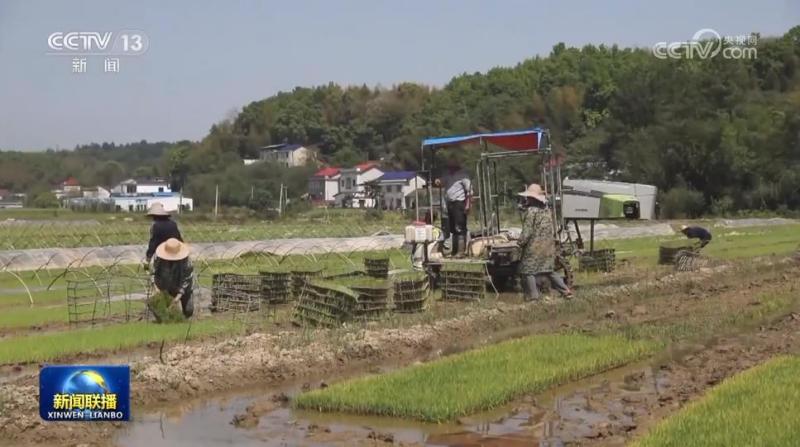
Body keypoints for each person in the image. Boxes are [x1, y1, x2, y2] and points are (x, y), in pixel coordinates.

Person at [517, 184, 573, 301]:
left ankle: (533, 297)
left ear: (531, 198)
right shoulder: (547, 211)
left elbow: (527, 231)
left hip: (535, 246)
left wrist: (520, 242)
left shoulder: (531, 212)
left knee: (527, 270)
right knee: (548, 270)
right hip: (548, 245)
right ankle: (566, 291)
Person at [434, 157, 472, 257]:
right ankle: (454, 251)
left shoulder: (463, 175)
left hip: (459, 202)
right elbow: (442, 182)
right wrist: (438, 181)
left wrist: (468, 204)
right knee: (453, 228)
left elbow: (469, 191)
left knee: (460, 227)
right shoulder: (447, 174)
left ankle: (461, 251)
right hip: (449, 203)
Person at [151, 238, 194, 318]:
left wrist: (177, 298)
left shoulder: (187, 262)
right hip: (164, 286)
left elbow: (186, 281)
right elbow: (153, 273)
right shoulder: (158, 258)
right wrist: (156, 288)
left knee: (189, 310)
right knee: (159, 311)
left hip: (181, 286)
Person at [144, 202, 183, 270]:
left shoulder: (155, 226)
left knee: (160, 276)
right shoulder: (173, 224)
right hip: (175, 254)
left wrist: (148, 259)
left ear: (155, 216)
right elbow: (179, 239)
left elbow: (153, 243)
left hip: (162, 255)